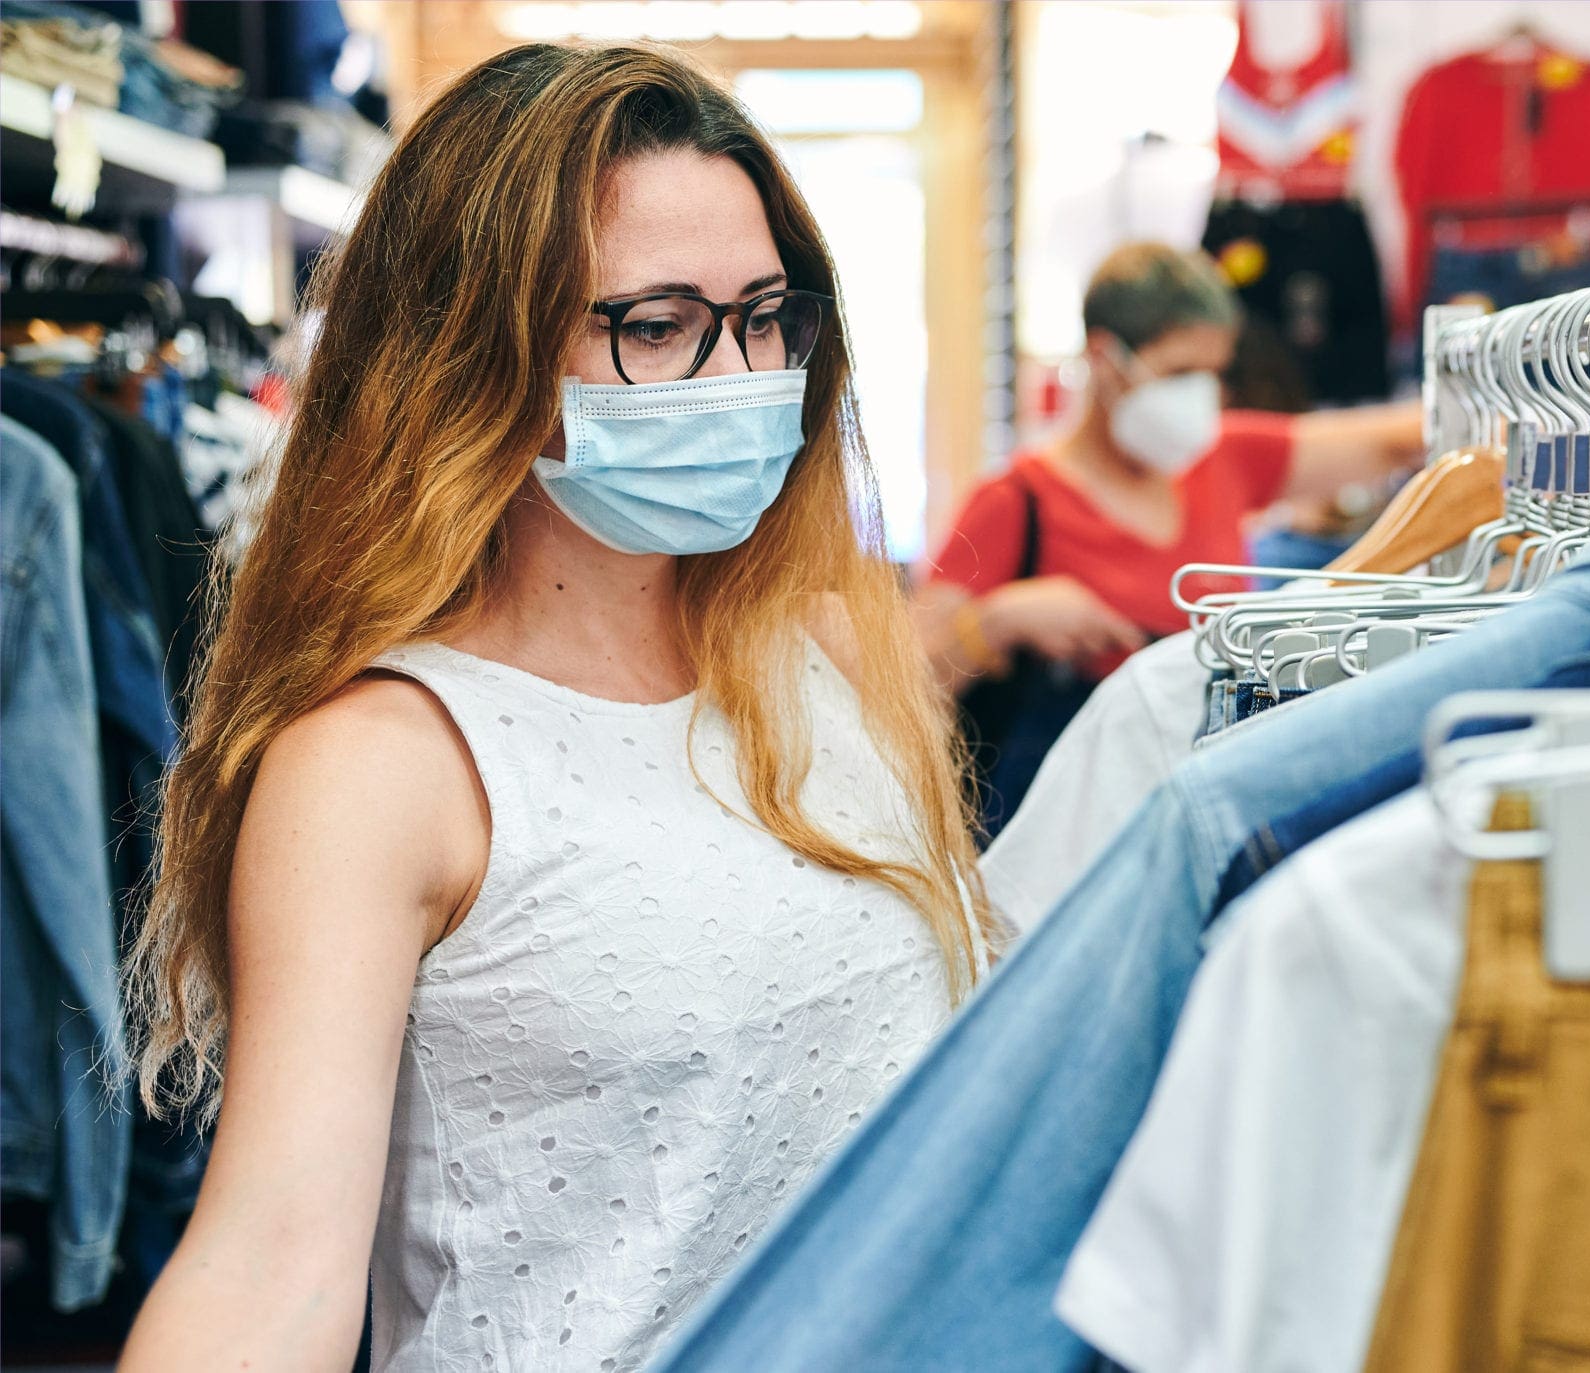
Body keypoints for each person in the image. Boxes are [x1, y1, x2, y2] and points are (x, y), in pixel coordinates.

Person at [118, 43, 995, 1373]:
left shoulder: (818, 647)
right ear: (476, 353)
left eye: (767, 314)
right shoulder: (387, 763)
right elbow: (272, 1272)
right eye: (656, 326)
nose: (740, 373)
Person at [913, 242, 1425, 836]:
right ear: (1105, 358)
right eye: (1180, 373)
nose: (1203, 396)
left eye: (1214, 373)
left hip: (1199, 805)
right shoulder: (1014, 501)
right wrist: (999, 621)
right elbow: (908, 686)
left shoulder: (1224, 460)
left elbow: (1385, 442)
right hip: (1060, 829)